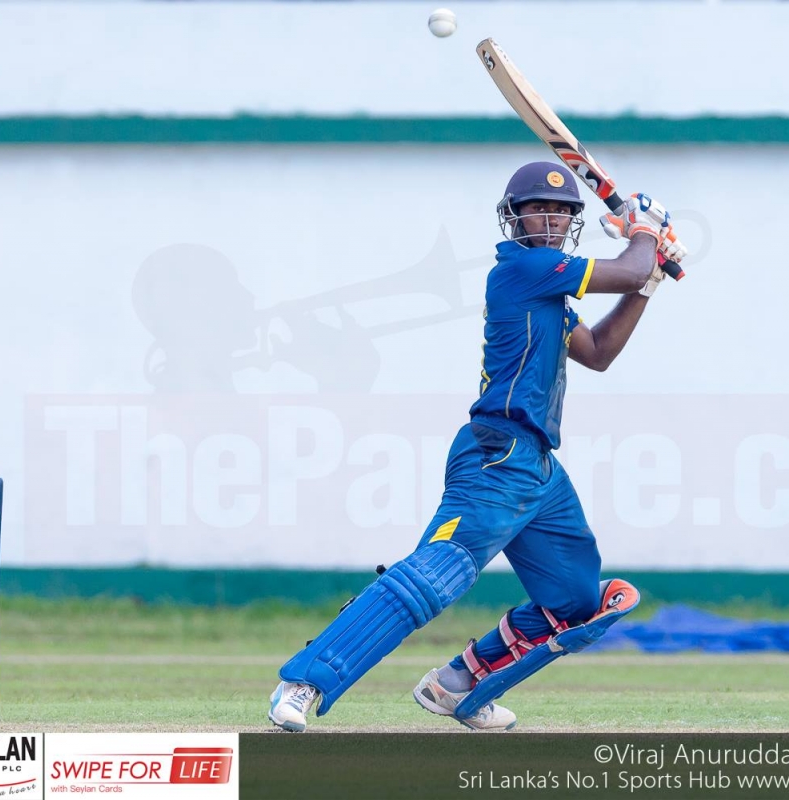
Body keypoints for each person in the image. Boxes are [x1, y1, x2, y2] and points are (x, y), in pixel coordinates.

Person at [268, 162, 686, 732]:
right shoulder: (523, 268)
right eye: (539, 208)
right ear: (514, 218)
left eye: (562, 211)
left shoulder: (554, 294)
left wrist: (650, 277)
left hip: (539, 469)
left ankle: (456, 683)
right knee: (435, 575)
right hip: (496, 455)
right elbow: (627, 266)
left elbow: (598, 352)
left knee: (577, 603)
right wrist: (644, 233)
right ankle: (305, 681)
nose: (551, 219)